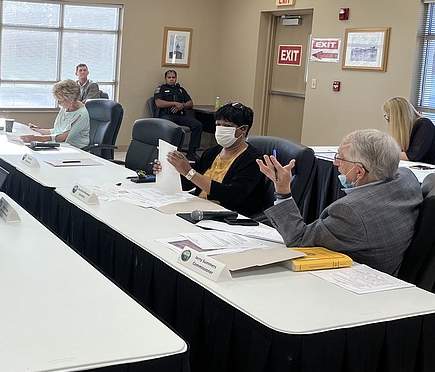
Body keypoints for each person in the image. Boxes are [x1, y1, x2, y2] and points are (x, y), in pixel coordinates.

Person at [257, 129, 420, 275]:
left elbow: (299, 240)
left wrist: (282, 190)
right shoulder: (406, 179)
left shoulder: (351, 211)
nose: (335, 163)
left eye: (340, 158)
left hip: (357, 278)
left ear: (359, 171)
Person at [153, 102, 267, 216]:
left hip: (230, 217)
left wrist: (189, 172)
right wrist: (172, 169)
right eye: (218, 124)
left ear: (243, 129)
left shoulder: (253, 160)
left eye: (227, 126)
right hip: (200, 210)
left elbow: (232, 196)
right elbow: (188, 185)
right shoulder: (212, 152)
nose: (221, 129)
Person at [21, 79, 90, 149]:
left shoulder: (82, 115)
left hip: (76, 149)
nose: (58, 103)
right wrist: (38, 130)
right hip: (61, 146)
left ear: (70, 99)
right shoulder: (65, 107)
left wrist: (35, 138)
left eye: (60, 101)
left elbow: (62, 138)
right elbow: (57, 131)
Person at [153, 70, 203, 161]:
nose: (171, 79)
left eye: (173, 77)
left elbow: (190, 103)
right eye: (169, 77)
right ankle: (168, 152)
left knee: (198, 125)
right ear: (165, 79)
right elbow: (158, 103)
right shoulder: (161, 89)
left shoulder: (180, 90)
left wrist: (182, 105)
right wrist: (175, 103)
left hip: (180, 116)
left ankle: (191, 152)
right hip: (166, 116)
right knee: (171, 128)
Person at [383, 97, 435, 164]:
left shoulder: (424, 125)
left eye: (389, 118)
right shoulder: (405, 131)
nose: (389, 122)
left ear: (397, 117)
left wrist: (385, 153)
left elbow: (412, 155)